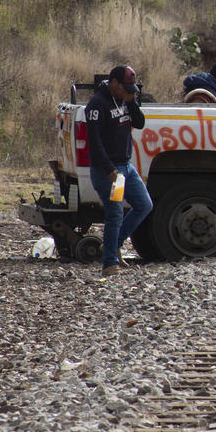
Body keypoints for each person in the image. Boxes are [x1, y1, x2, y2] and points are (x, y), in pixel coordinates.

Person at [86, 65, 154, 277]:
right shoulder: (98, 104)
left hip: (126, 167)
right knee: (114, 212)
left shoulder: (124, 99)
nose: (127, 91)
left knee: (144, 205)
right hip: (110, 170)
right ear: (113, 82)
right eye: (124, 87)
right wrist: (109, 170)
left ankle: (115, 244)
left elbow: (140, 123)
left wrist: (132, 102)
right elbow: (94, 143)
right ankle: (109, 263)